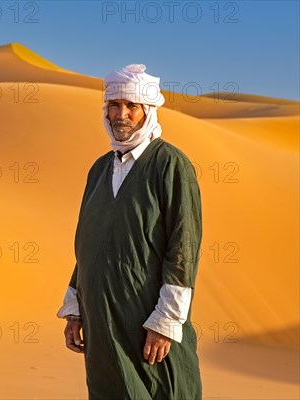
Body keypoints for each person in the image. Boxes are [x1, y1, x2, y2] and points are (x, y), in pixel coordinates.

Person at [57, 64, 202, 399]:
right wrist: (75, 309)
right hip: (102, 321)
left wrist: (165, 321)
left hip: (146, 321)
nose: (120, 114)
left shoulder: (170, 165)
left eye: (131, 106)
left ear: (148, 110)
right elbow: (88, 244)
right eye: (114, 104)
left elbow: (183, 247)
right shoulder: (99, 168)